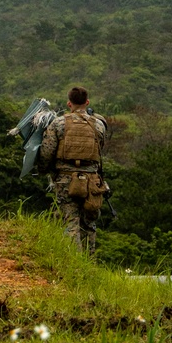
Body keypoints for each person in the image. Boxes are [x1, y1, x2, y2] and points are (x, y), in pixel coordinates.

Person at [38, 86, 108, 254]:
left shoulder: (58, 123)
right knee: (89, 224)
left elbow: (47, 152)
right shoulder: (99, 125)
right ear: (87, 102)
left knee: (70, 222)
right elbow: (99, 151)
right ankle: (89, 265)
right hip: (92, 183)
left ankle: (73, 263)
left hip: (66, 181)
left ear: (69, 103)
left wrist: (44, 170)